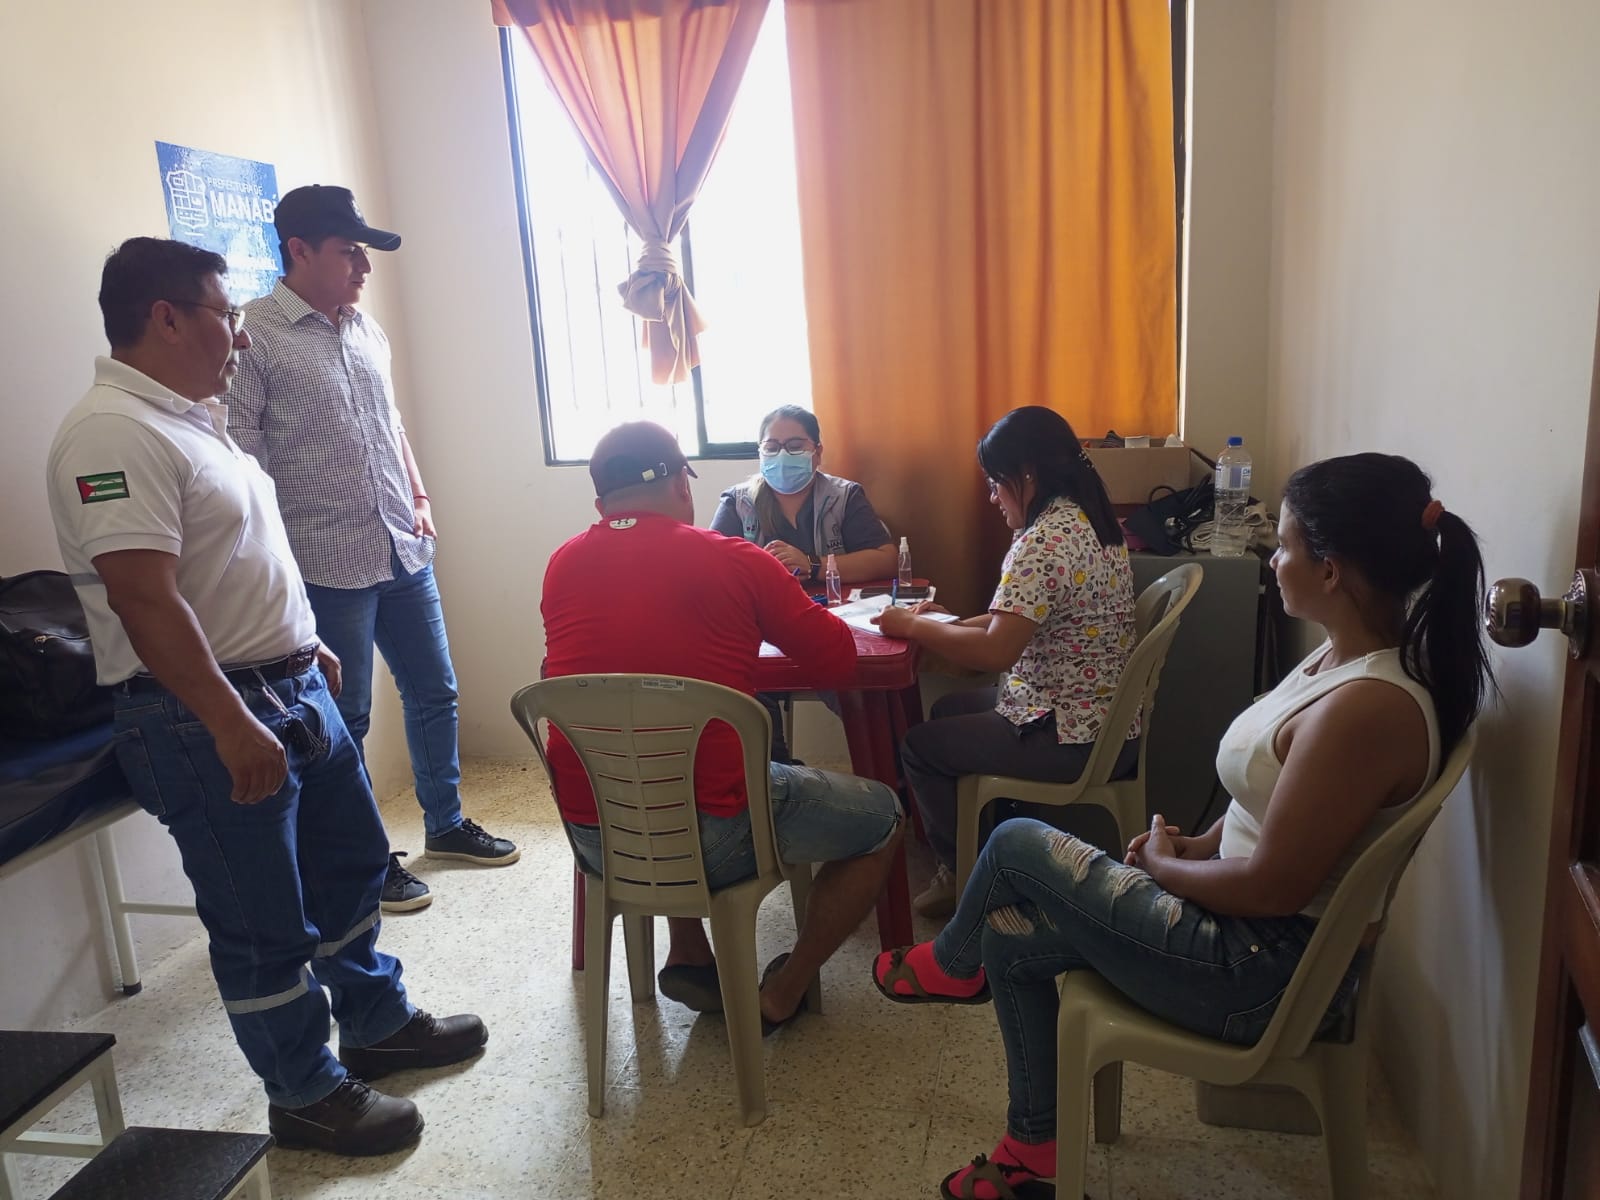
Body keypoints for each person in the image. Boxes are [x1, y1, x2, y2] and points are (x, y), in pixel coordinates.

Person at [869, 452, 1493, 1200]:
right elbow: (1275, 801)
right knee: (1009, 933)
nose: (1274, 560)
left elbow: (1274, 888)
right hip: (1244, 932)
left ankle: (952, 963)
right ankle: (1034, 1153)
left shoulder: (1367, 709)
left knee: (1014, 844)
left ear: (1330, 571)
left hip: (1257, 970)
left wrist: (1166, 869)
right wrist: (1199, 844)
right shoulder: (1337, 660)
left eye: (1285, 546)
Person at [46, 238, 489, 1156]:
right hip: (204, 713)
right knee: (264, 923)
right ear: (166, 318)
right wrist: (227, 718)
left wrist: (300, 637)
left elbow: (229, 558)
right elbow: (143, 597)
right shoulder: (110, 434)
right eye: (227, 315)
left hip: (290, 682)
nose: (241, 338)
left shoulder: (192, 420)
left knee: (349, 869)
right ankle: (303, 1093)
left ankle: (375, 1024)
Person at [543, 421, 904, 1026]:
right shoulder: (737, 560)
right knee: (885, 817)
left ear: (601, 502)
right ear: (682, 487)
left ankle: (688, 947)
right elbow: (837, 660)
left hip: (598, 834)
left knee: (655, 755)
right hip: (715, 835)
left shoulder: (561, 564)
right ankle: (783, 989)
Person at [228, 184, 516, 915]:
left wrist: (418, 496)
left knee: (435, 691)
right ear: (298, 250)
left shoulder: (366, 330)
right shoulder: (255, 338)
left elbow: (391, 427)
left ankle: (445, 824)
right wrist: (274, 566)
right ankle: (364, 860)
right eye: (349, 251)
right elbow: (242, 461)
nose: (363, 266)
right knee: (344, 718)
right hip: (324, 563)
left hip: (401, 548)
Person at [874, 406, 1139, 919]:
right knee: (947, 712)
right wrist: (949, 622)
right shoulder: (1090, 523)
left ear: (1028, 474)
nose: (993, 497)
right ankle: (994, 849)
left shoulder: (1043, 543)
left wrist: (912, 627)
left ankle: (964, 874)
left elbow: (996, 652)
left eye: (996, 483)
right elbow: (1016, 618)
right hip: (1099, 719)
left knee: (920, 747)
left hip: (1069, 737)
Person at [710, 406, 897, 763]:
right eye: (772, 447)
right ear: (760, 451)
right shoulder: (738, 501)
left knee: (859, 689)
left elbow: (886, 558)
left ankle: (886, 776)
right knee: (743, 692)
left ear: (817, 451)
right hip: (760, 630)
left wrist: (813, 565)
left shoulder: (843, 497)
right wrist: (762, 572)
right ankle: (775, 777)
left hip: (827, 623)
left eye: (795, 446)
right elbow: (712, 569)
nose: (782, 455)